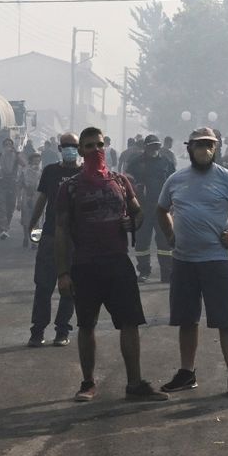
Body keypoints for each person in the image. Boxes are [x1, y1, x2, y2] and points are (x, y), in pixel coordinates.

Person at [53, 125, 167, 403]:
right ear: (81, 151)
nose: (95, 150)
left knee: (130, 323)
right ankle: (88, 383)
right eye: (89, 146)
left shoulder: (120, 181)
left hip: (118, 263)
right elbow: (61, 231)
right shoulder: (69, 188)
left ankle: (135, 383)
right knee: (86, 325)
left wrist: (132, 222)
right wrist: (63, 272)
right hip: (85, 265)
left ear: (106, 147)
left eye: (99, 145)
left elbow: (138, 212)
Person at [156, 127, 228, 398]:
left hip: (216, 260)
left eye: (209, 144)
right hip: (184, 261)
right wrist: (171, 234)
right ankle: (187, 372)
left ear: (216, 148)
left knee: (227, 322)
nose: (204, 149)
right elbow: (161, 209)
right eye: (199, 144)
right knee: (186, 320)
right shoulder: (176, 179)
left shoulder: (227, 178)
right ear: (189, 148)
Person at [24, 132, 81, 346]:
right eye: (66, 146)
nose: (70, 149)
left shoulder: (84, 173)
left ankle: (62, 330)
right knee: (43, 286)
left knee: (70, 287)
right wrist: (32, 222)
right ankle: (37, 331)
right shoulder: (50, 171)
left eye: (73, 146)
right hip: (50, 235)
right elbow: (43, 198)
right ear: (59, 149)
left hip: (75, 239)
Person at [129, 134, 176, 282]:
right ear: (145, 147)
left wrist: (173, 203)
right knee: (142, 241)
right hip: (142, 209)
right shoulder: (136, 163)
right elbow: (127, 182)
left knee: (164, 241)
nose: (154, 148)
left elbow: (174, 183)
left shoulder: (166, 162)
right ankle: (144, 271)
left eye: (157, 145)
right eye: (151, 146)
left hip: (162, 208)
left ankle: (167, 273)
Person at [0, 132, 21, 239]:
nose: (8, 146)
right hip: (1, 184)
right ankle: (3, 229)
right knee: (1, 207)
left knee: (10, 207)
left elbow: (24, 164)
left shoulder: (16, 156)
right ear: (3, 146)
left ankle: (7, 225)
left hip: (12, 184)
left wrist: (16, 153)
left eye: (10, 144)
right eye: (6, 145)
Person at [18, 143, 42, 249]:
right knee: (26, 221)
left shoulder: (42, 172)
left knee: (37, 220)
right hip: (26, 197)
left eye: (38, 161)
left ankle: (34, 241)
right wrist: (18, 201)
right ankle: (25, 237)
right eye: (35, 161)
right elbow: (19, 186)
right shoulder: (24, 172)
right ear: (30, 161)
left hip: (38, 198)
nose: (36, 163)